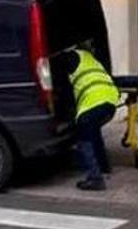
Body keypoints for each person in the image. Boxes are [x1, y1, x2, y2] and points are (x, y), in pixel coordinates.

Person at [51, 46, 120, 191]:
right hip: (111, 100)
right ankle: (104, 166)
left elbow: (64, 90)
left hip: (94, 102)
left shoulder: (67, 58)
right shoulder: (89, 58)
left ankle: (95, 178)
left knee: (84, 139)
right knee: (94, 133)